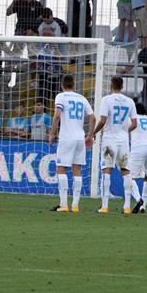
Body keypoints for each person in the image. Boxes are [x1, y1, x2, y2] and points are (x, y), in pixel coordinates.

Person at [88, 76, 139, 214]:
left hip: (109, 140)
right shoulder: (130, 102)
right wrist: (123, 131)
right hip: (123, 142)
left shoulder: (106, 100)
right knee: (126, 172)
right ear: (122, 86)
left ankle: (105, 206)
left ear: (111, 85)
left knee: (107, 170)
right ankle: (127, 206)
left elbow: (103, 120)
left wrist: (93, 133)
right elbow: (135, 124)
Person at [48, 74, 95, 212]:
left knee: (61, 168)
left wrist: (52, 133)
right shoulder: (82, 98)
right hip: (80, 138)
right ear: (74, 85)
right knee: (77, 170)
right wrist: (90, 135)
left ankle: (63, 204)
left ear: (62, 85)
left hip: (67, 137)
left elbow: (57, 115)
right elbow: (92, 117)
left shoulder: (61, 97)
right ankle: (75, 205)